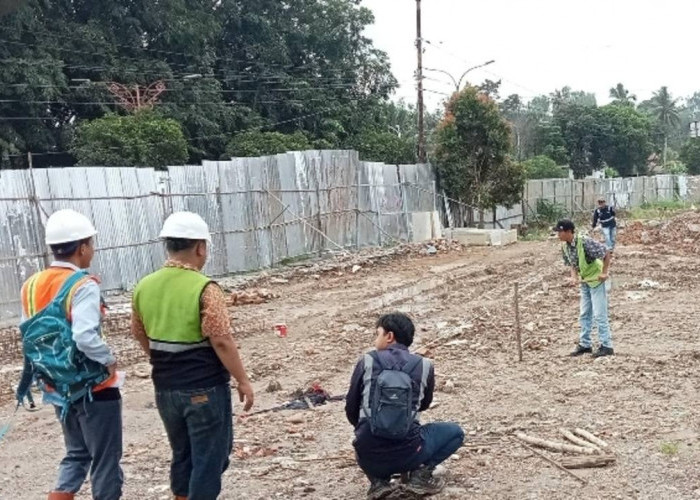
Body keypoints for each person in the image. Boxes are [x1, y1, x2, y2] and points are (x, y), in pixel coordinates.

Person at [131, 211, 255, 500]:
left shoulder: (143, 286)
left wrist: (165, 361)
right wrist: (243, 380)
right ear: (200, 247)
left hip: (165, 389)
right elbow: (221, 340)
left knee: (183, 454)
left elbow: (139, 333)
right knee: (210, 460)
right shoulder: (205, 288)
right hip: (204, 390)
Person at [16, 209, 122, 500]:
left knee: (76, 454)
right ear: (83, 247)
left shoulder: (32, 284)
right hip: (94, 387)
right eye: (92, 244)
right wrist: (109, 360)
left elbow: (26, 331)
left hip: (56, 386)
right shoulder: (82, 285)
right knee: (105, 461)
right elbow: (85, 336)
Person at [345, 313, 464, 499]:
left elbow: (351, 407)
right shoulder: (424, 366)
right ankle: (419, 477)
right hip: (410, 453)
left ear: (389, 336)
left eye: (378, 334)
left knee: (363, 434)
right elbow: (423, 405)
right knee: (455, 432)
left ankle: (378, 482)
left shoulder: (367, 361)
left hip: (369, 456)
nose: (376, 339)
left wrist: (369, 429)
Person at [555, 219, 615, 358]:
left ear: (568, 231)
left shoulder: (584, 241)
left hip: (596, 280)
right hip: (585, 281)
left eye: (560, 231)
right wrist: (574, 277)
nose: (558, 235)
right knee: (585, 313)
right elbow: (572, 264)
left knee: (600, 314)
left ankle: (607, 345)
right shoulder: (565, 246)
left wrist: (604, 273)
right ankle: (585, 344)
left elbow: (606, 252)